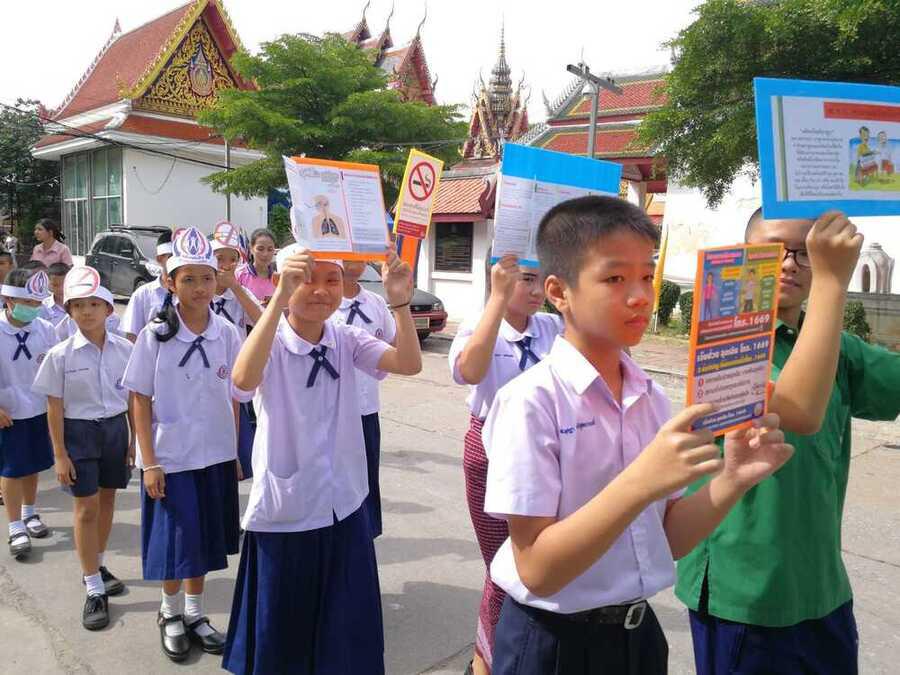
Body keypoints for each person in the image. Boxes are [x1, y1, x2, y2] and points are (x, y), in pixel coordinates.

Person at [483, 196, 794, 675]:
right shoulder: (531, 402)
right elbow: (538, 570)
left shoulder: (651, 397)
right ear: (558, 291)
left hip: (637, 636)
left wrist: (733, 479)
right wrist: (641, 481)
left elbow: (665, 539)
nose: (640, 297)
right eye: (615, 279)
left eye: (647, 276)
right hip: (553, 644)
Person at [676, 209, 900, 675]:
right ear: (744, 257)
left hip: (821, 589)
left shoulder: (837, 347)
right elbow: (798, 411)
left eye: (805, 252)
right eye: (773, 250)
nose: (789, 263)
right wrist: (835, 282)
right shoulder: (726, 339)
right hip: (745, 592)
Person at [221, 244, 422, 675]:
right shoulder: (271, 342)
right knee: (284, 635)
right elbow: (241, 381)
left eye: (332, 280)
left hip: (344, 506)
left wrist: (400, 303)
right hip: (288, 512)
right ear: (282, 283)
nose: (321, 290)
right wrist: (278, 298)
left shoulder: (345, 338)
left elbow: (408, 363)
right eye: (306, 279)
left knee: (344, 632)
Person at [122, 227, 245, 662]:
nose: (199, 287)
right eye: (188, 279)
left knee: (204, 538)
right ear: (169, 282)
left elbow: (234, 396)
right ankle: (169, 612)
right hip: (171, 456)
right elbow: (139, 398)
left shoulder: (226, 332)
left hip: (214, 453)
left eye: (206, 278)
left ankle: (195, 613)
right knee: (175, 541)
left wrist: (233, 451)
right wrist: (149, 461)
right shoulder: (156, 333)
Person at [448, 255, 562, 675]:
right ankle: (487, 661)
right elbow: (469, 371)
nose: (536, 290)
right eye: (526, 279)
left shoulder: (552, 327)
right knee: (502, 566)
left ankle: (510, 655)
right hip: (491, 452)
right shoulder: (479, 326)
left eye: (541, 280)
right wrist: (495, 300)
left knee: (538, 563)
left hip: (548, 454)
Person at [32, 266, 133, 630]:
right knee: (86, 508)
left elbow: (133, 399)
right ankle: (92, 588)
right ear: (69, 311)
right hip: (79, 433)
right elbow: (54, 407)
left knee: (107, 500)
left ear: (108, 309)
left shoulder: (126, 349)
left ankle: (98, 564)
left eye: (94, 304)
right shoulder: (60, 355)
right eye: (78, 305)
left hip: (115, 430)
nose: (87, 311)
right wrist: (60, 454)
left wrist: (133, 443)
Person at [330, 259, 397, 540]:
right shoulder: (326, 303)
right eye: (349, 256)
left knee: (367, 474)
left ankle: (366, 534)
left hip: (366, 407)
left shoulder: (375, 302)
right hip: (332, 410)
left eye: (360, 256)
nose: (355, 263)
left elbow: (394, 344)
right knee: (336, 478)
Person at [0, 270, 57, 557]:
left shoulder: (45, 329)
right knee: (11, 469)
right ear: (8, 299)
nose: (33, 308)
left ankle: (29, 512)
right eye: (27, 303)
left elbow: (55, 369)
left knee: (32, 464)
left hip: (38, 408)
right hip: (8, 412)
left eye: (37, 303)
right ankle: (14, 527)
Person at [209, 222, 262, 480]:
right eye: (220, 258)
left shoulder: (241, 294)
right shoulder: (201, 293)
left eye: (232, 259)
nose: (226, 265)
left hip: (234, 375)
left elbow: (261, 319)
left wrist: (236, 288)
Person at [121, 230, 174, 342]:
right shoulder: (143, 294)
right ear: (160, 259)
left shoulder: (194, 294)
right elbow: (132, 336)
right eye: (172, 257)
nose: (178, 263)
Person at [236, 229, 277, 311]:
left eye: (270, 249)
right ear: (251, 249)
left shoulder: (278, 278)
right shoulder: (239, 275)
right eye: (260, 249)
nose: (265, 254)